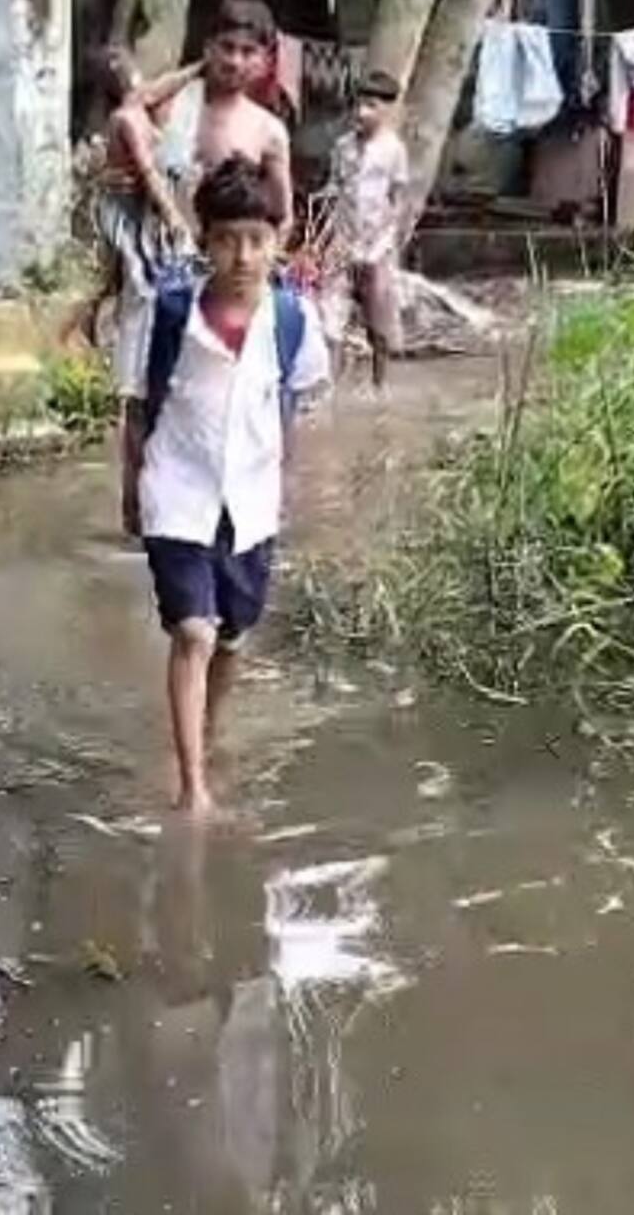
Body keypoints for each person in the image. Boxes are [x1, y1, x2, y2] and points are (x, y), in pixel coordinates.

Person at [122, 156, 329, 817]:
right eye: (227, 239)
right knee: (195, 634)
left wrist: (285, 488)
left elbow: (292, 408)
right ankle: (194, 788)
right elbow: (135, 408)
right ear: (204, 241)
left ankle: (205, 739)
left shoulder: (294, 321)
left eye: (257, 240)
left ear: (277, 243)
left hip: (251, 503)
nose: (242, 255)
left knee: (232, 638)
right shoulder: (166, 314)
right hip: (176, 494)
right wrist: (131, 488)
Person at [75, 47, 200, 387]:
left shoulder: (138, 104)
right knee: (140, 289)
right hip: (125, 212)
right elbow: (148, 172)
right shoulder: (128, 119)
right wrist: (173, 215)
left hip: (140, 212)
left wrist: (200, 64)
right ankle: (128, 380)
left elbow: (165, 85)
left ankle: (128, 367)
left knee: (132, 286)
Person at [321, 69, 409, 391]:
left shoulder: (394, 150)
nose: (362, 113)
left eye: (371, 105)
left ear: (387, 109)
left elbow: (398, 202)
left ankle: (379, 384)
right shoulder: (342, 146)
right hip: (341, 243)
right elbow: (333, 188)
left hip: (377, 245)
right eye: (359, 105)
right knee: (330, 320)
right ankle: (329, 389)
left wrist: (383, 244)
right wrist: (325, 231)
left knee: (378, 320)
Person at [185, 0, 295, 234]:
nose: (235, 61)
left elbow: (283, 218)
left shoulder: (268, 131)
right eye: (227, 47)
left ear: (265, 61)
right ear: (208, 48)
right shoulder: (173, 106)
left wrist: (256, 264)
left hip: (224, 260)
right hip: (152, 257)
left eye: (248, 52)